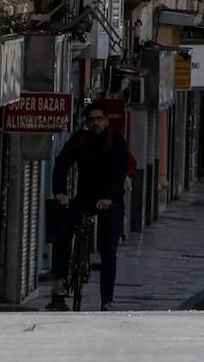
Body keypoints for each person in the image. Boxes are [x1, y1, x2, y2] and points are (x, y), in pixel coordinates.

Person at [48, 103, 129, 312]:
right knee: (62, 232)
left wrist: (109, 198)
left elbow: (120, 170)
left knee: (108, 251)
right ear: (86, 122)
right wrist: (60, 192)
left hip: (111, 201)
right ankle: (60, 282)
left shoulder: (116, 140)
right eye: (91, 119)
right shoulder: (80, 139)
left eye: (99, 119)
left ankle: (107, 301)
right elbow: (62, 163)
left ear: (106, 120)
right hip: (85, 198)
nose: (96, 123)